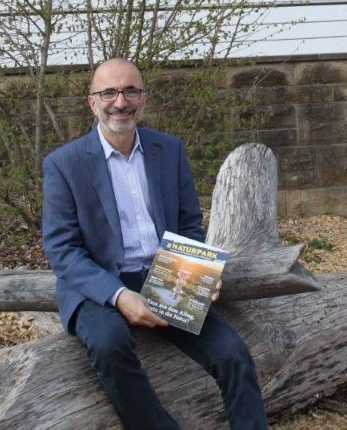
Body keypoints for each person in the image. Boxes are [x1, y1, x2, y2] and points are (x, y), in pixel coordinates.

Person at [42, 58, 268, 429]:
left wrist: (200, 273)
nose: (121, 102)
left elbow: (189, 224)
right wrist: (119, 296)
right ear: (92, 102)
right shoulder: (64, 164)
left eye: (131, 91)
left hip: (167, 274)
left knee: (233, 355)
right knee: (109, 344)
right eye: (109, 93)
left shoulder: (169, 150)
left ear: (144, 98)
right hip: (98, 283)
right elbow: (62, 249)